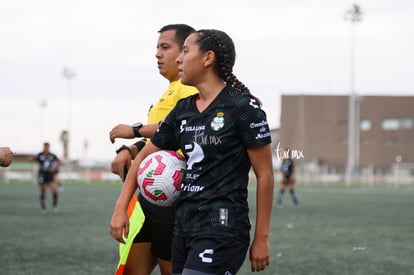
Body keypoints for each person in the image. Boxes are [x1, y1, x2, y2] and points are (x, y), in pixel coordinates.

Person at [110, 29, 274, 274]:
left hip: (222, 227)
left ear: (208, 58)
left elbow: (265, 175)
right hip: (183, 226)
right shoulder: (183, 109)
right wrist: (120, 207)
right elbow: (144, 156)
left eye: (185, 51)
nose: (179, 59)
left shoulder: (242, 107)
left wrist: (261, 238)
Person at [109, 24, 198, 275]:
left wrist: (135, 130)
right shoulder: (168, 90)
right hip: (148, 196)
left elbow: (183, 126)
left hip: (171, 198)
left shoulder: (188, 88)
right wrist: (132, 149)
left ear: (185, 51)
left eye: (165, 47)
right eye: (157, 48)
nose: (157, 54)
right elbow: (161, 140)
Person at [31, 142, 61, 212]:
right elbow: (34, 159)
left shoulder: (52, 155)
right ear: (44, 147)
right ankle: (43, 207)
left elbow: (59, 161)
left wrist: (55, 168)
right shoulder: (40, 155)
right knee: (43, 191)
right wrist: (32, 160)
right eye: (45, 147)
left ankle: (55, 205)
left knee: (54, 190)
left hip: (50, 174)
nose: (47, 148)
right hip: (42, 174)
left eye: (48, 147)